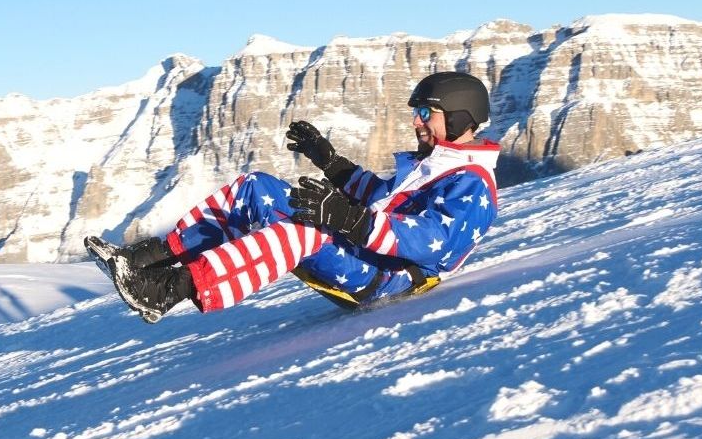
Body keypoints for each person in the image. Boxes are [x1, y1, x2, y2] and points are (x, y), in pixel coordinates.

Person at [86, 71, 500, 323]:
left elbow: (431, 243)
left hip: (389, 279)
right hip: (366, 253)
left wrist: (347, 220)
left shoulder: (472, 182)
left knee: (301, 233)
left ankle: (163, 291)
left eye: (426, 112)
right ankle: (146, 261)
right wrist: (329, 161)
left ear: (460, 116)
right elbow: (382, 199)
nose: (416, 121)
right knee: (255, 189)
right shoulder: (436, 162)